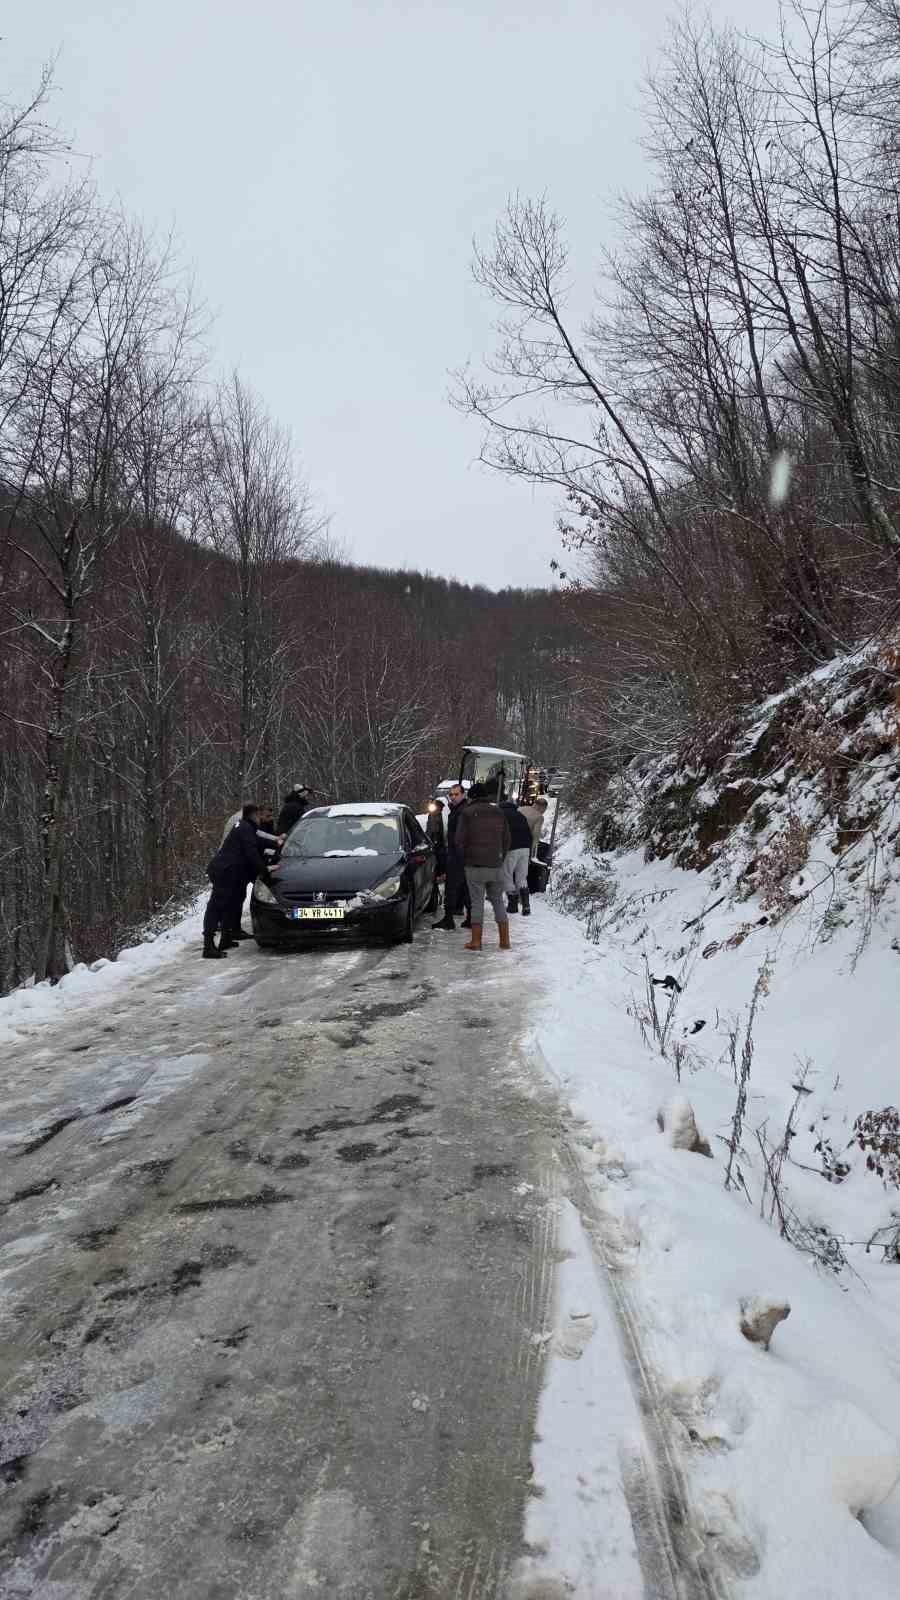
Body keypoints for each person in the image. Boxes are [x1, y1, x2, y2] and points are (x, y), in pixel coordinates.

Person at [203, 803, 278, 959]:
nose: (261, 819)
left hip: (232, 871)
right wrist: (265, 869)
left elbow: (258, 842)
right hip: (225, 871)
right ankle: (208, 945)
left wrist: (277, 842)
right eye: (259, 816)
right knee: (217, 907)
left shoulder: (246, 827)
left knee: (231, 904)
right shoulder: (245, 828)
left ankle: (226, 938)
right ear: (253, 815)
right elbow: (251, 852)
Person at [454, 782, 511, 952]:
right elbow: (507, 839)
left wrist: (464, 859)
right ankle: (505, 941)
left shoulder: (467, 813)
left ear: (471, 797)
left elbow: (459, 840)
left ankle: (476, 942)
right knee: (498, 901)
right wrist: (500, 857)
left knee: (477, 903)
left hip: (474, 865)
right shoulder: (499, 811)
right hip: (496, 864)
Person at [432, 783, 471, 931]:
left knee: (452, 888)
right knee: (464, 888)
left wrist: (457, 856)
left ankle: (449, 919)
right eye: (452, 794)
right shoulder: (458, 809)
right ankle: (469, 918)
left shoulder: (462, 811)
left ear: (463, 795)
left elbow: (460, 836)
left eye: (456, 794)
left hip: (458, 855)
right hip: (460, 855)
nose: (453, 797)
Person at [500, 798, 534, 916]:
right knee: (521, 877)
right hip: (525, 848)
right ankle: (526, 906)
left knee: (507, 875)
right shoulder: (520, 815)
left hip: (512, 848)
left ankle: (513, 905)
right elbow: (529, 833)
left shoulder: (501, 815)